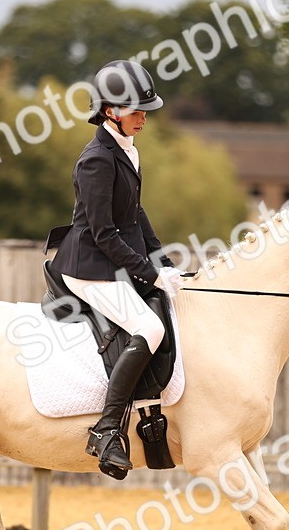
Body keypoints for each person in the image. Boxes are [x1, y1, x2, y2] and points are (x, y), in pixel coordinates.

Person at [44, 60, 184, 478]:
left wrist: (163, 260)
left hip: (112, 261)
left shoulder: (125, 149)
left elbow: (135, 213)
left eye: (145, 110)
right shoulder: (96, 161)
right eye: (137, 111)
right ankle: (106, 429)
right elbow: (104, 233)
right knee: (151, 328)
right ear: (110, 112)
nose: (144, 117)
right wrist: (149, 273)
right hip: (88, 266)